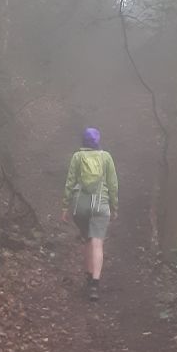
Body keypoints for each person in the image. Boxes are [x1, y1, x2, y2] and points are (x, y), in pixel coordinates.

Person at [62, 127, 118, 301]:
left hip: (81, 206)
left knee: (87, 238)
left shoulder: (77, 157)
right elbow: (113, 184)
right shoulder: (106, 157)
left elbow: (70, 181)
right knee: (97, 242)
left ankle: (88, 276)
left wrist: (65, 206)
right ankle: (94, 283)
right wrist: (114, 206)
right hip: (100, 204)